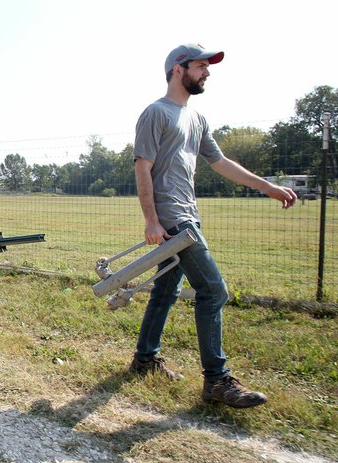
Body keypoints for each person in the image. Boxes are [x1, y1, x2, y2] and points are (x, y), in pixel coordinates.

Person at [128, 44, 298, 408]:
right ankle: (217, 381)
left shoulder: (197, 119)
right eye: (201, 66)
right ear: (179, 69)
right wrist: (152, 221)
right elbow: (143, 166)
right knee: (214, 291)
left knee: (165, 291)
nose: (207, 73)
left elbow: (220, 162)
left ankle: (144, 360)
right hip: (173, 218)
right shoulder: (156, 113)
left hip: (188, 212)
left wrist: (266, 187)